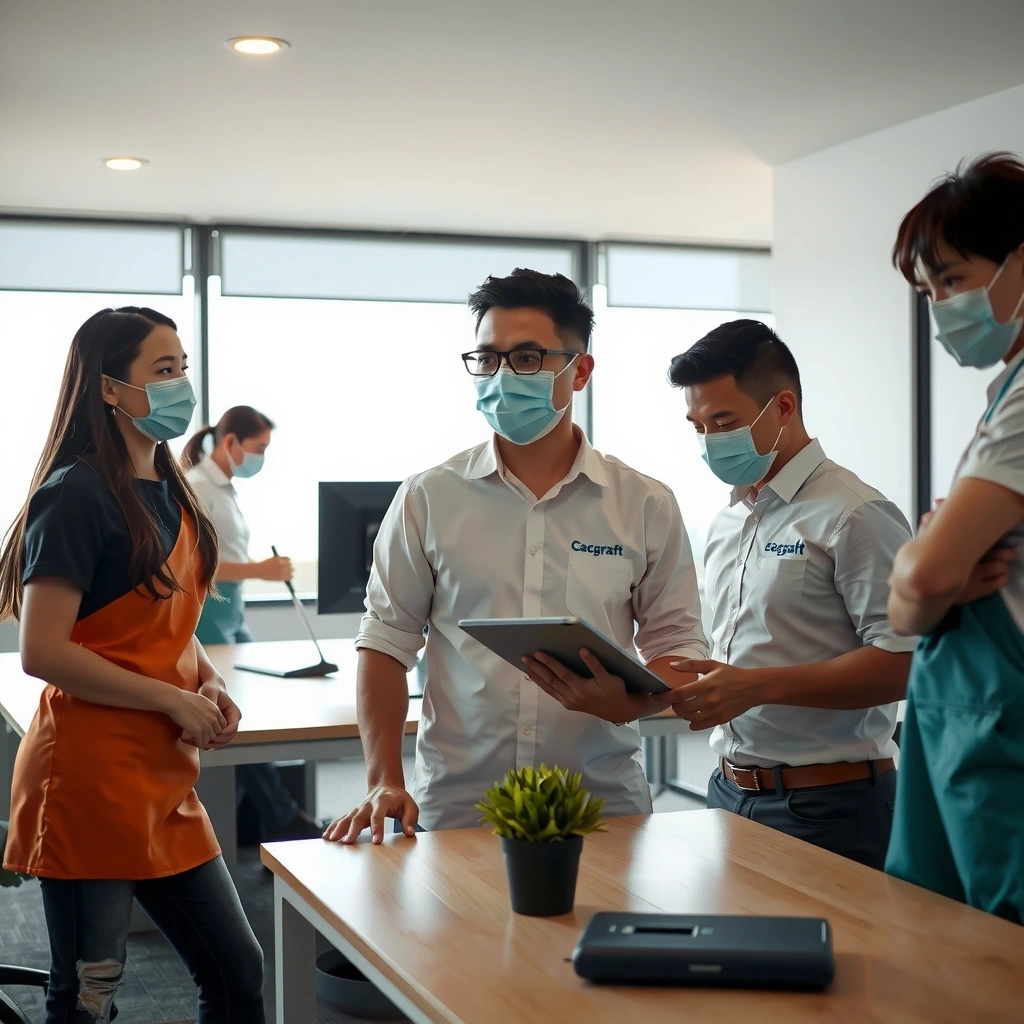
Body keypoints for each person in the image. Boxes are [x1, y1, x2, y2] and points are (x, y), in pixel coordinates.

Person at [323, 269, 707, 843]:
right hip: (459, 804)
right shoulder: (429, 497)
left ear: (579, 371)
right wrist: (384, 779)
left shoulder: (644, 504)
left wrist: (630, 702)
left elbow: (678, 649)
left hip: (601, 804)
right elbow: (384, 643)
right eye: (488, 358)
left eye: (527, 358)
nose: (503, 375)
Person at [530, 320, 915, 869]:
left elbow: (906, 660)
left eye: (725, 421)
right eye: (698, 425)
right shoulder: (728, 521)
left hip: (831, 804)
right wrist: (631, 695)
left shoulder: (856, 514)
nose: (710, 440)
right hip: (728, 795)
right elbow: (728, 671)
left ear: (784, 407)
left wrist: (756, 687)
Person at [0, 308, 265, 1022]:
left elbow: (165, 617)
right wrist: (172, 700)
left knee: (239, 972)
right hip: (91, 776)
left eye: (183, 367)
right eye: (163, 369)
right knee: (90, 998)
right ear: (112, 389)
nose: (182, 383)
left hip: (161, 776)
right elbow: (43, 650)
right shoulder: (75, 495)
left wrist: (202, 678)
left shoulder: (171, 488)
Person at [885, 152, 1024, 922]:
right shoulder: (1003, 396)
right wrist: (919, 582)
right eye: (929, 290)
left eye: (954, 279)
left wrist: (920, 567)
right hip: (967, 718)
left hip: (999, 727)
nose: (940, 307)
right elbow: (910, 603)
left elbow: (927, 578)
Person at [182, 408, 326, 843]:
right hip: (206, 622)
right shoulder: (199, 488)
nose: (261, 457)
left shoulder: (224, 490)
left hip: (230, 618)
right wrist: (261, 571)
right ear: (231, 444)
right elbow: (192, 564)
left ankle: (269, 816)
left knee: (246, 717)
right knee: (231, 717)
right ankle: (279, 817)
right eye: (259, 449)